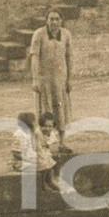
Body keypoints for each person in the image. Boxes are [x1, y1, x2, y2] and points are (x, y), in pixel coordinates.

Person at [29, 9, 73, 140]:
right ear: (46, 20)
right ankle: (44, 143)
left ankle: (62, 141)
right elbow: (34, 57)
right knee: (45, 111)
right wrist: (35, 79)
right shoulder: (39, 34)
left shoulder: (66, 34)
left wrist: (70, 79)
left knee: (61, 110)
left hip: (60, 79)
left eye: (57, 19)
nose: (54, 22)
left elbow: (70, 57)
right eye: (51, 19)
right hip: (44, 80)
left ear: (61, 21)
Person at [11, 112, 57, 191]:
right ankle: (43, 184)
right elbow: (16, 154)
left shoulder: (30, 133)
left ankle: (50, 181)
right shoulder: (19, 135)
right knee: (41, 163)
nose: (35, 126)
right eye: (33, 124)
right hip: (19, 162)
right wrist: (29, 159)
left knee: (47, 160)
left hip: (29, 158)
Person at [38, 111, 74, 177]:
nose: (47, 128)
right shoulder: (37, 134)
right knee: (47, 162)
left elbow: (54, 145)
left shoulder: (52, 134)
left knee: (56, 160)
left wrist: (56, 148)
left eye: (50, 126)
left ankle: (57, 177)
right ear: (40, 126)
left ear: (53, 126)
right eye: (45, 126)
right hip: (39, 154)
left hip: (47, 153)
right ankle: (50, 180)